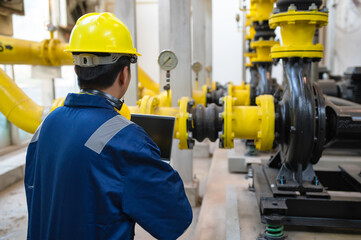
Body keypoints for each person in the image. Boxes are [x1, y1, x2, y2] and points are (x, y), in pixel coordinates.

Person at [24, 12, 192, 240]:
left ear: (76, 70)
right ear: (124, 74)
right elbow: (175, 218)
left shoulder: (44, 127)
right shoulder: (127, 140)